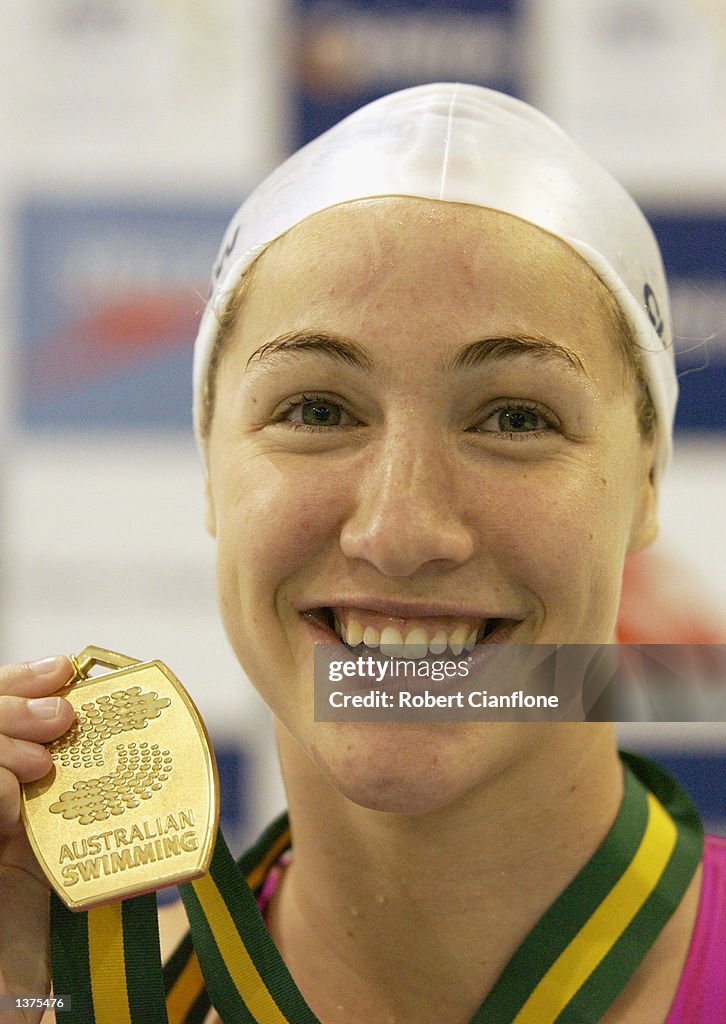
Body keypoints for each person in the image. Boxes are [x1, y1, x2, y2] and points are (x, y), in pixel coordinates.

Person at [1, 83, 724, 1024]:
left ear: (648, 487)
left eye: (515, 417)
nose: (400, 531)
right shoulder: (89, 997)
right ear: (212, 472)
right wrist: (29, 989)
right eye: (316, 410)